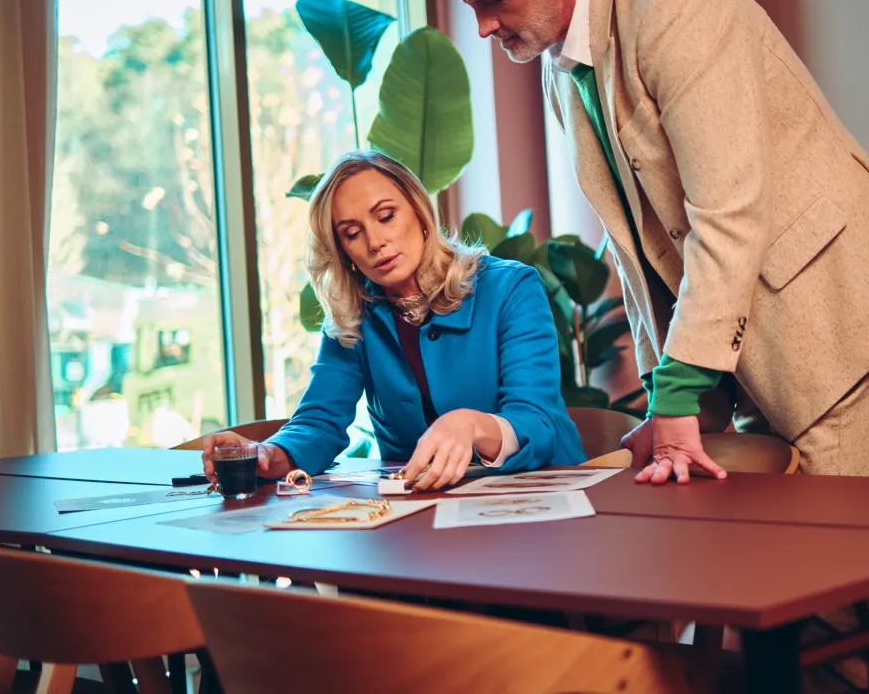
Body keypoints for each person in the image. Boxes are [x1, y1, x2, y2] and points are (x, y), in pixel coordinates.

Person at [438, 0, 869, 485]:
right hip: (736, 336)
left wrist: (677, 394)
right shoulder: (561, 64)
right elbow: (634, 241)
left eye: (491, 1)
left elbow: (727, 214)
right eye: (472, 6)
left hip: (827, 313)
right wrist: (664, 388)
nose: (483, 26)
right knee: (766, 554)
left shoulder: (674, 5)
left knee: (843, 556)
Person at [202, 151, 587, 491]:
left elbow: (537, 421)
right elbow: (319, 420)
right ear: (344, 251)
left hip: (540, 499)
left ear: (419, 212)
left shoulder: (510, 287)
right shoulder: (353, 316)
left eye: (386, 216)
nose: (375, 242)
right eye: (352, 233)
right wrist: (268, 452)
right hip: (421, 517)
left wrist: (471, 425)